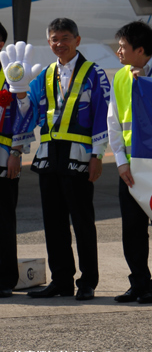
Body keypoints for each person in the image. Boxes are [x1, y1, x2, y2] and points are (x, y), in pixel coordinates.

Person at [9, 18, 109, 301]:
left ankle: (87, 282)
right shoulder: (46, 73)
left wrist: (97, 156)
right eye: (54, 39)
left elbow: (103, 113)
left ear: (77, 40)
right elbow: (28, 111)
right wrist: (19, 91)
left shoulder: (94, 72)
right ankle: (61, 280)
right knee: (53, 222)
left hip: (79, 154)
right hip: (49, 154)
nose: (59, 44)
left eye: (65, 38)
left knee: (82, 221)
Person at [108, 21, 152, 304]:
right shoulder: (121, 76)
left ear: (140, 49)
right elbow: (114, 121)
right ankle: (138, 282)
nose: (118, 52)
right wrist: (120, 162)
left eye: (122, 47)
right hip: (132, 165)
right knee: (132, 228)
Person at [0, 23, 22, 298]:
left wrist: (17, 153)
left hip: (4, 158)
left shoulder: (13, 75)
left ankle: (5, 279)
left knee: (4, 220)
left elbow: (22, 118)